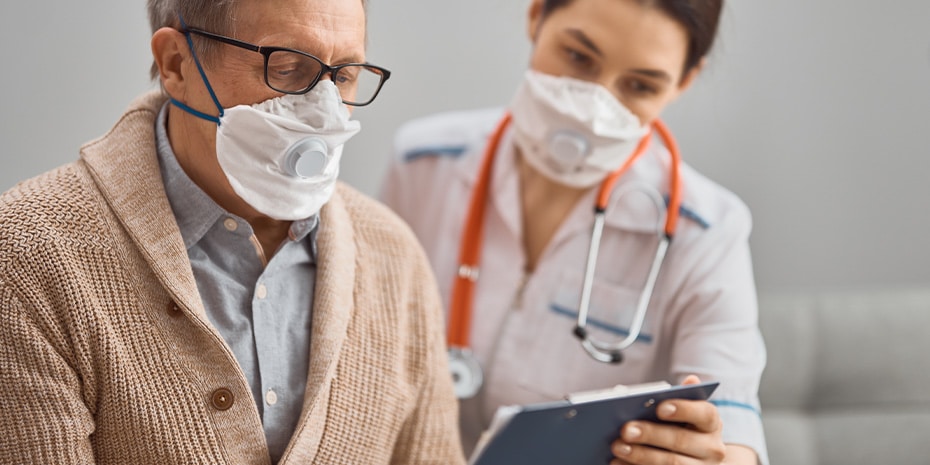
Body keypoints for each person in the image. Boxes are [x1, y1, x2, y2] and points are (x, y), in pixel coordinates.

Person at [0, 0, 465, 464]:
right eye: (286, 67)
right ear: (176, 64)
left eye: (342, 76)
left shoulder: (392, 255)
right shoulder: (30, 253)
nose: (324, 110)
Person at [381, 0, 768, 464]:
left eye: (640, 86)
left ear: (684, 81)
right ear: (536, 15)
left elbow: (734, 428)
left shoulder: (708, 231)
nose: (594, 108)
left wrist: (711, 456)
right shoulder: (423, 164)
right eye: (579, 58)